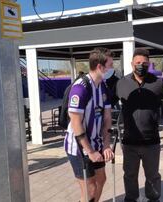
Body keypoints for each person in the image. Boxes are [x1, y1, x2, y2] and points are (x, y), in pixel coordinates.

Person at [115, 48, 163, 202]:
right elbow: (106, 104)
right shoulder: (121, 83)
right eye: (138, 63)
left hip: (152, 142)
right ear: (131, 64)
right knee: (129, 175)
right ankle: (131, 198)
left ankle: (153, 199)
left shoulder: (158, 83)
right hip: (129, 142)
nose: (141, 65)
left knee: (153, 176)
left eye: (144, 63)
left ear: (149, 64)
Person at [64, 47, 115, 202]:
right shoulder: (80, 88)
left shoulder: (103, 86)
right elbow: (75, 123)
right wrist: (90, 151)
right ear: (100, 67)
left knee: (101, 179)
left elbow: (107, 118)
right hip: (79, 147)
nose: (112, 69)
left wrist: (106, 145)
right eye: (110, 65)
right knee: (89, 189)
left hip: (97, 143)